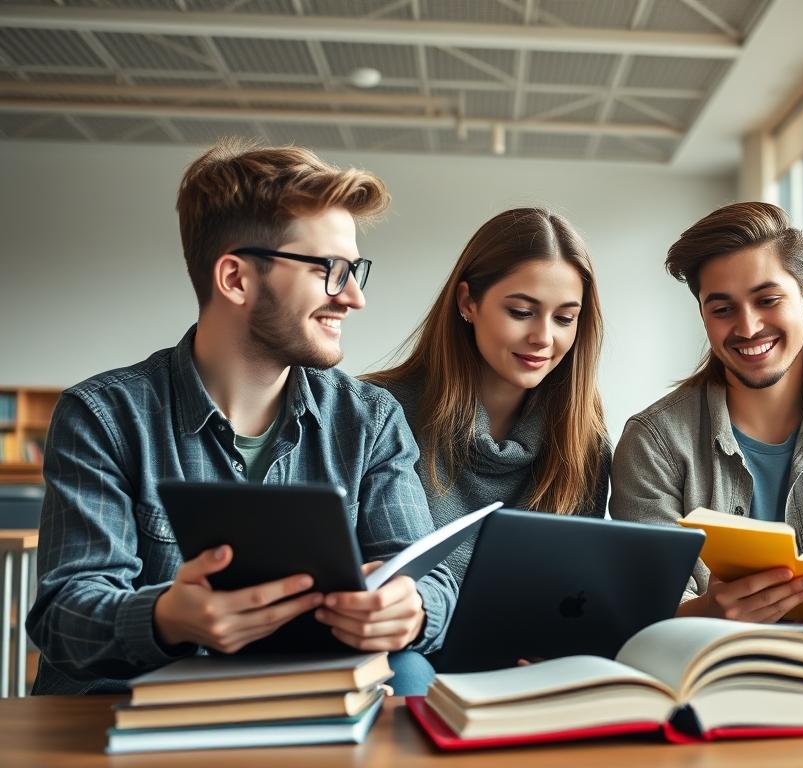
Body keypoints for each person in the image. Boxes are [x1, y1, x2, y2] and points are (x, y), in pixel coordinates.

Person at [26, 140, 454, 695]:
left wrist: (412, 608)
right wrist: (166, 618)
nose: (353, 296)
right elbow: (65, 616)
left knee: (412, 671)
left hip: (308, 707)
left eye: (355, 270)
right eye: (330, 269)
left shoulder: (369, 420)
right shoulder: (104, 416)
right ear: (235, 278)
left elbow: (427, 578)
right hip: (139, 715)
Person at [609, 202, 803, 672]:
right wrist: (709, 612)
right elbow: (646, 606)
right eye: (722, 308)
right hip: (702, 650)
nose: (747, 328)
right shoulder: (655, 440)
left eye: (767, 300)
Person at [364, 208, 610, 608]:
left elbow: (570, 596)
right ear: (468, 302)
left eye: (565, 318)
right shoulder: (377, 412)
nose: (543, 338)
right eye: (521, 312)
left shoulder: (584, 438)